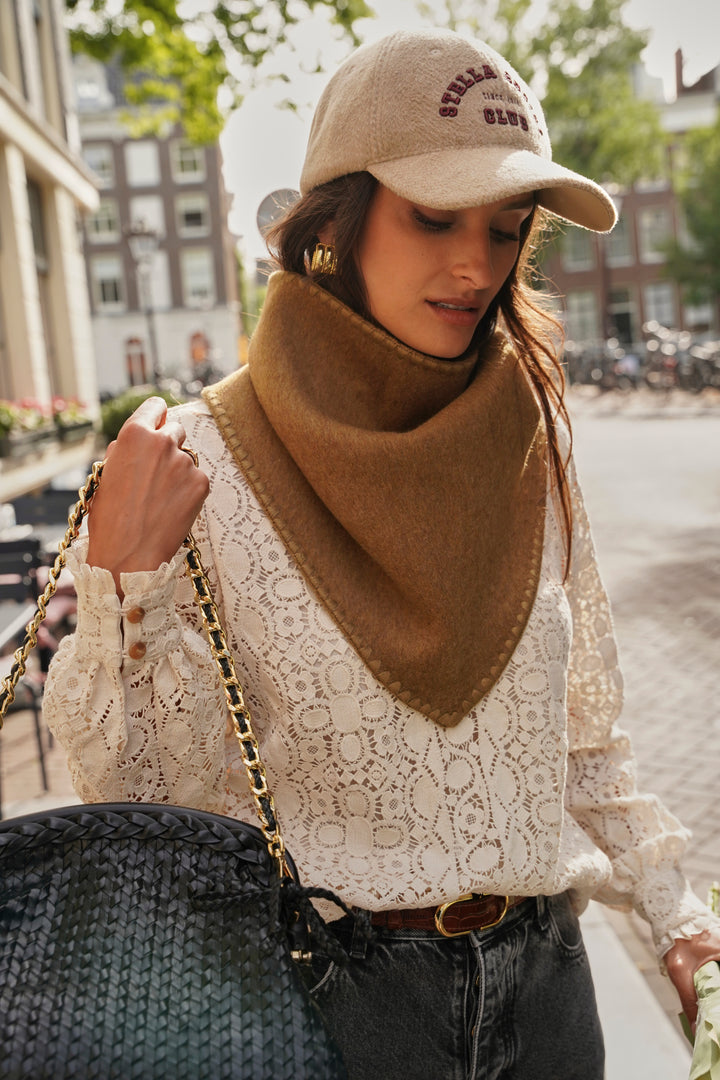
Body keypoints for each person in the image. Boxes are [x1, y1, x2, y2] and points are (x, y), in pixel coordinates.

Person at [44, 28, 720, 1080]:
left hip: (550, 996)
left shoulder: (532, 438)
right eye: (434, 217)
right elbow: (145, 795)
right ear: (339, 218)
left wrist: (680, 918)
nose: (476, 264)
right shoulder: (203, 461)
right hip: (331, 1007)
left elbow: (584, 740)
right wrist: (127, 585)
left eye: (506, 228)